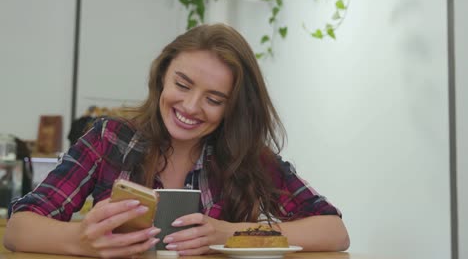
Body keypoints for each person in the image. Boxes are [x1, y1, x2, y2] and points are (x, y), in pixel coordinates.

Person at [3, 23, 349, 258]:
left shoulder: (247, 156)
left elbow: (334, 231)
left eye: (214, 100)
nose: (191, 107)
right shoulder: (110, 138)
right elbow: (18, 229)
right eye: (182, 85)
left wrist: (224, 234)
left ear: (233, 108)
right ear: (162, 77)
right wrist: (82, 241)